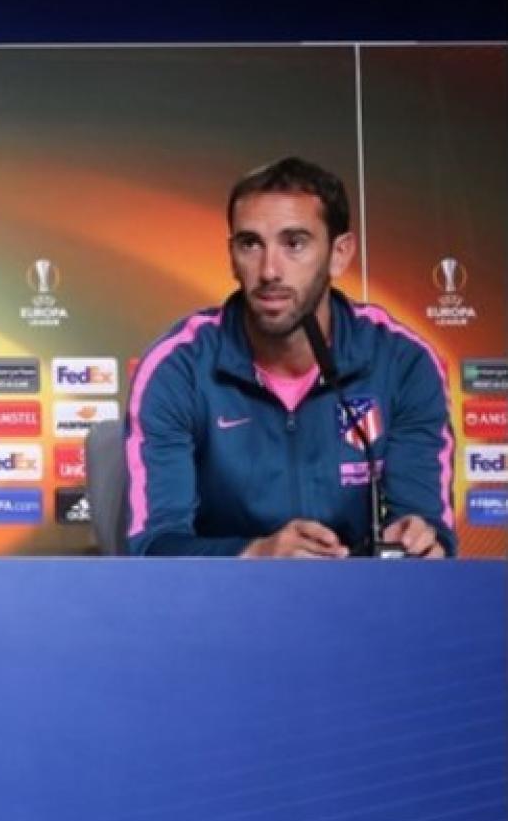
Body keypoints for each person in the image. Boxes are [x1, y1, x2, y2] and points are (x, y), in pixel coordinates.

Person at [125, 156, 453, 558]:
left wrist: (420, 541)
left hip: (360, 606)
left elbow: (430, 532)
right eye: (250, 244)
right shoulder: (178, 368)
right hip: (219, 606)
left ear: (339, 253)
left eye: (294, 243)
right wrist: (258, 555)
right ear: (231, 256)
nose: (269, 271)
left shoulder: (404, 363)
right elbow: (153, 548)